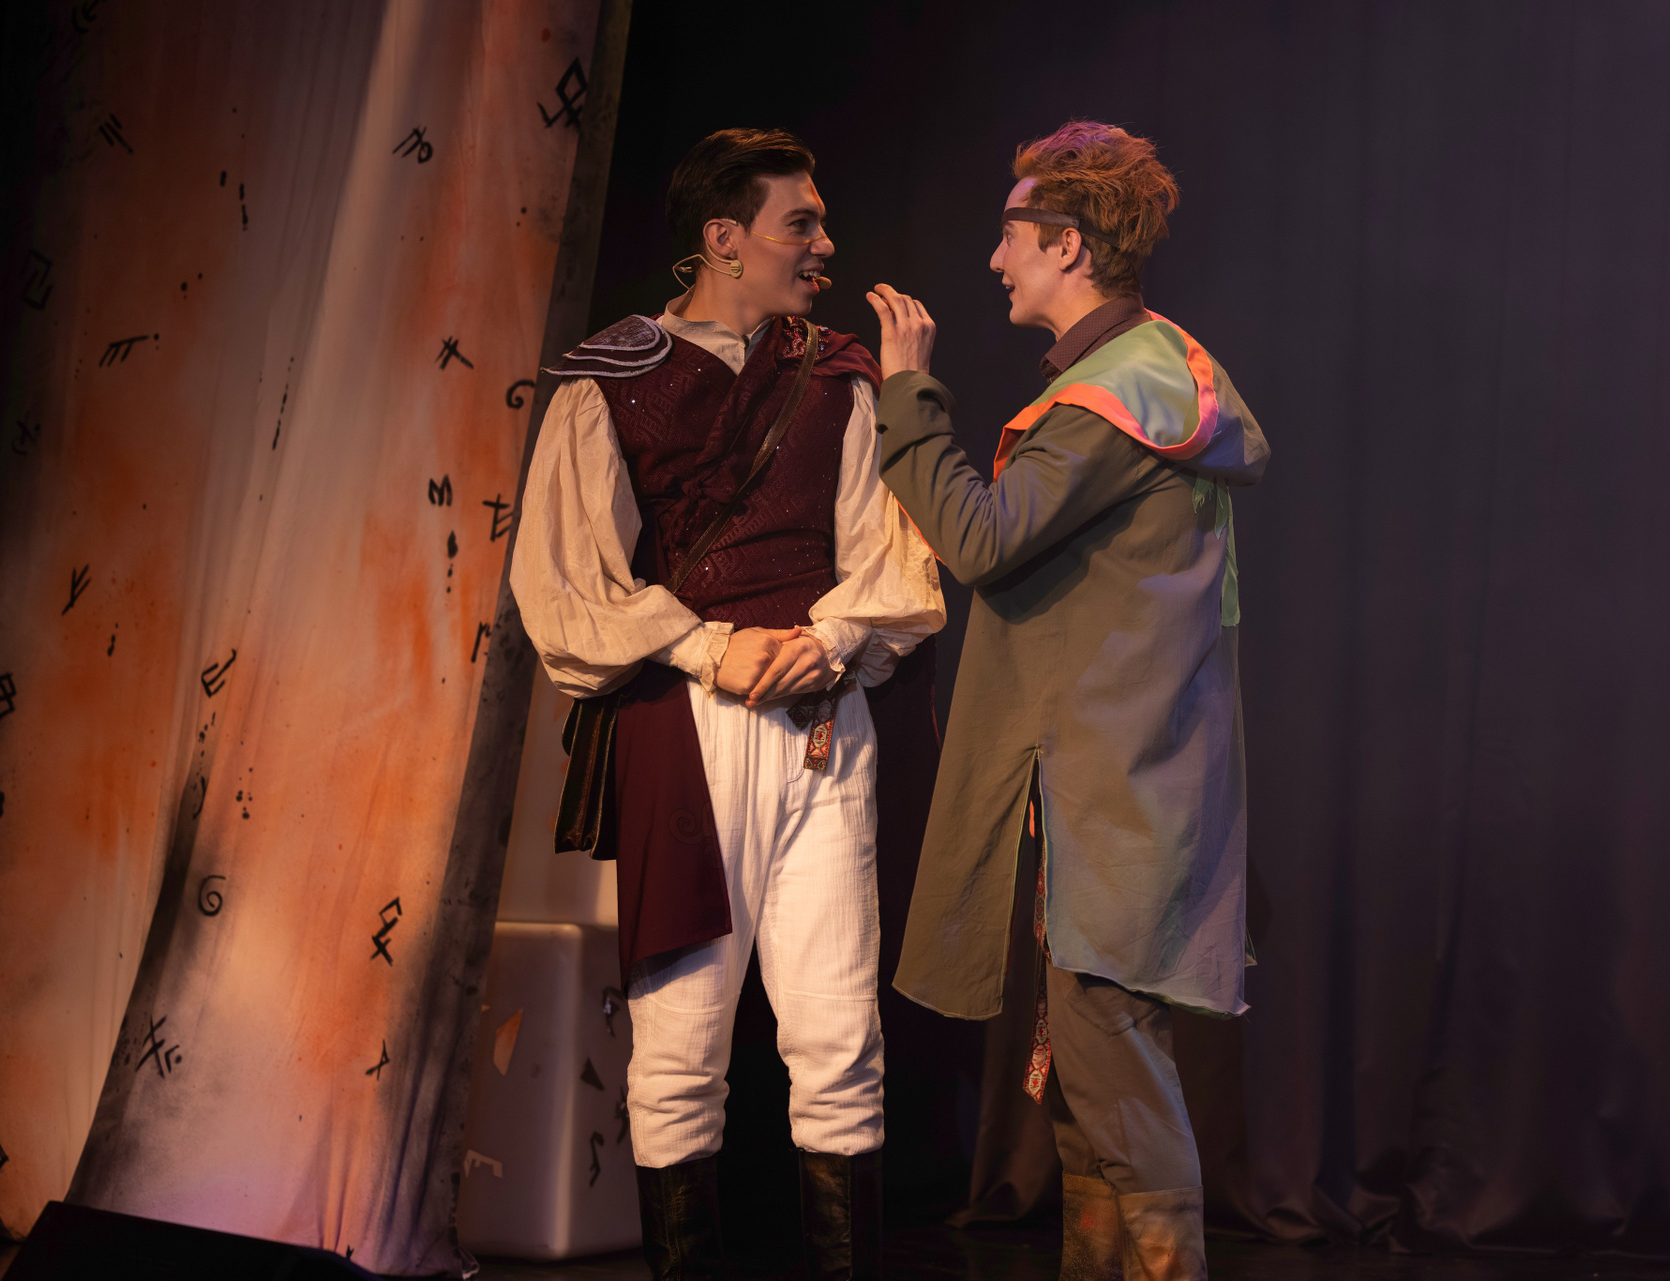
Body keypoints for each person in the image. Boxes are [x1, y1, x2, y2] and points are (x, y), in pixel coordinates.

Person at [512, 127, 944, 1281]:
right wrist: (710, 648)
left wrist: (829, 638)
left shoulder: (840, 373)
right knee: (680, 1050)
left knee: (840, 1039)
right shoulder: (612, 376)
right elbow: (564, 583)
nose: (826, 244)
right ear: (724, 239)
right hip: (684, 732)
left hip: (821, 723)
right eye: (801, 223)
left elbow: (886, 550)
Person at [863, 121, 1268, 1281]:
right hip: (1120, 781)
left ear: (1070, 246)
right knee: (1089, 1095)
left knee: (1115, 1082)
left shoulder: (1112, 400)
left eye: (1012, 234)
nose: (995, 259)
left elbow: (982, 538)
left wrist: (906, 395)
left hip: (1116, 790)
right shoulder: (1143, 376)